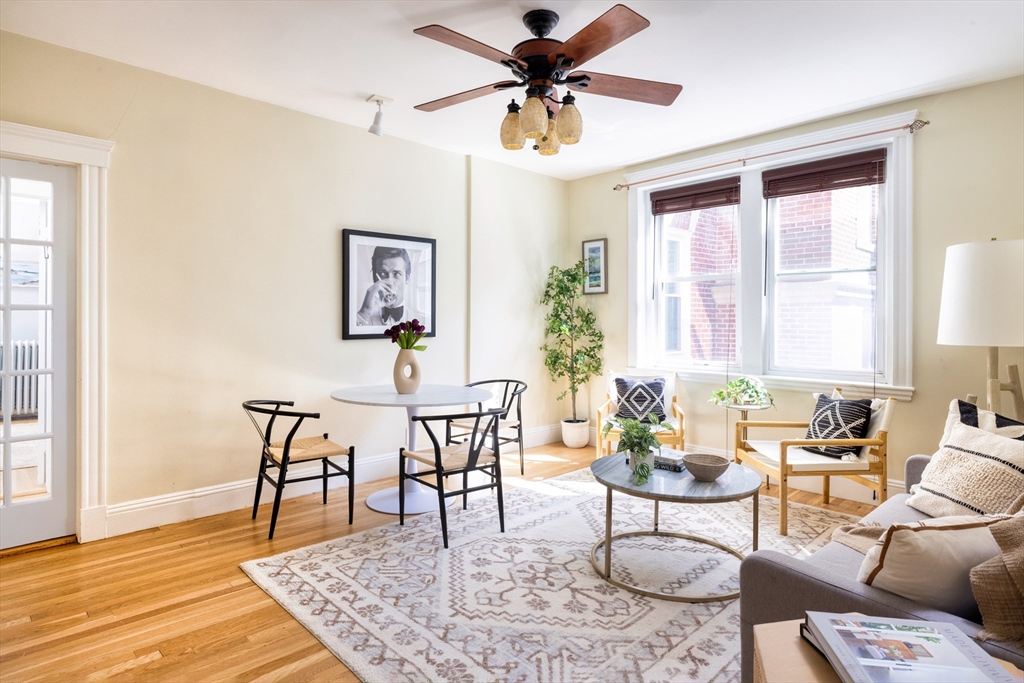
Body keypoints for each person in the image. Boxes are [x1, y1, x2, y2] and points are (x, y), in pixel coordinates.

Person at [356, 246, 426, 327]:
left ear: (407, 278)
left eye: (397, 274)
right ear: (374, 279)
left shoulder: (421, 322)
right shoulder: (361, 319)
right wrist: (364, 313)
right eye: (382, 274)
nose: (389, 283)